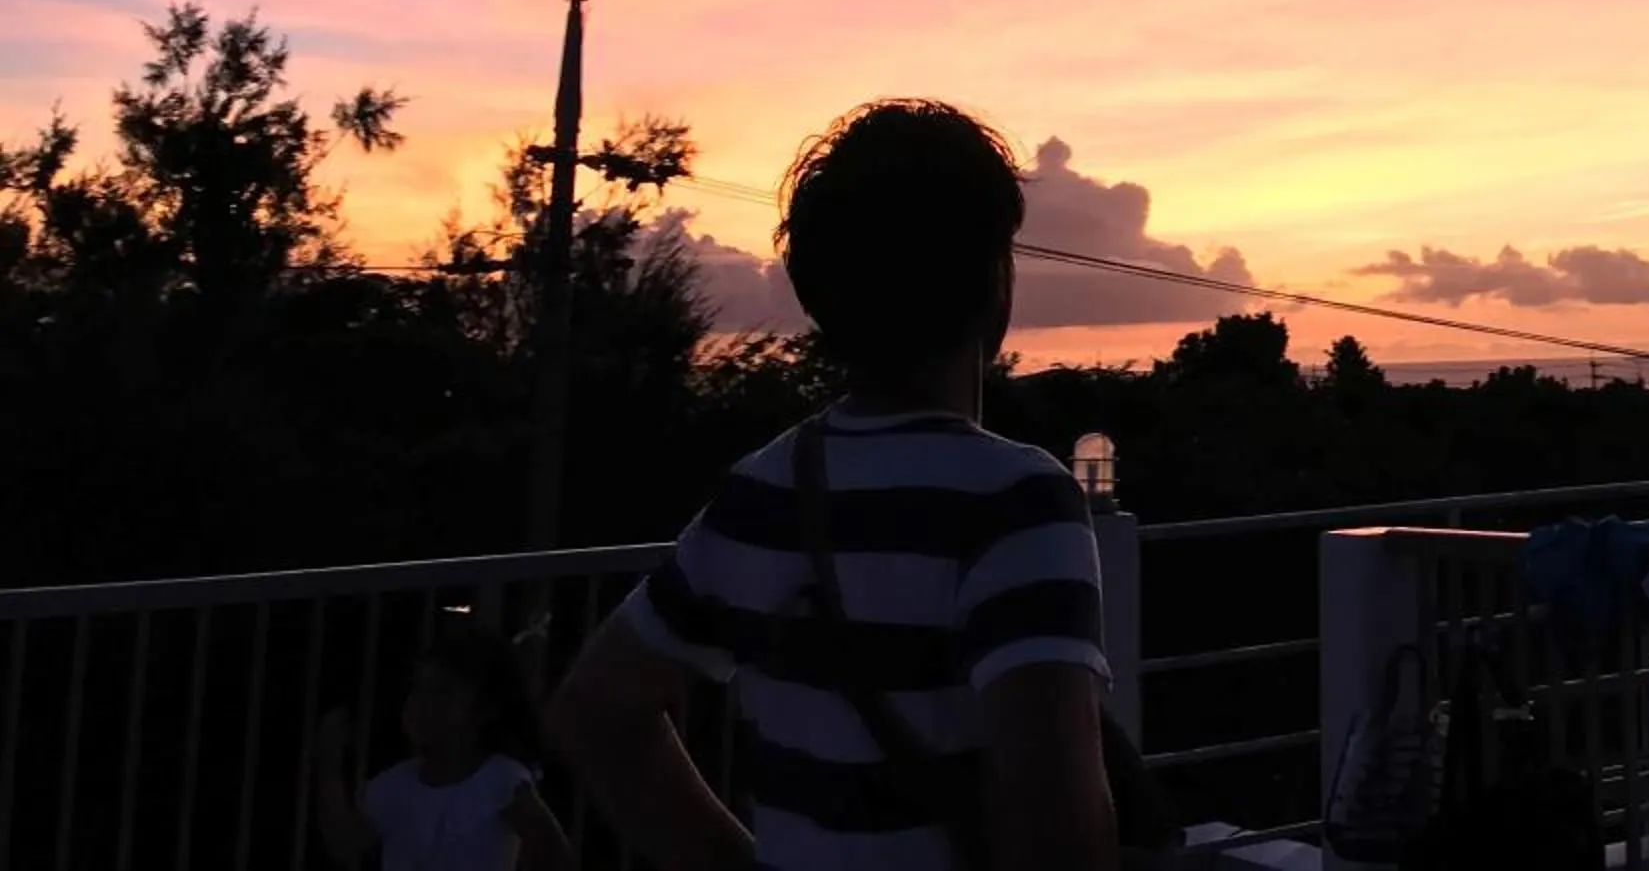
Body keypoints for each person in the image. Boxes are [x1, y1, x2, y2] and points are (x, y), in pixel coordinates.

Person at [549, 100, 1119, 871]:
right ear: (994, 283)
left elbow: (596, 709)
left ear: (821, 296)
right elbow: (1060, 837)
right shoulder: (1016, 502)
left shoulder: (761, 491)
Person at [314, 620, 577, 871]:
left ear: (486, 710)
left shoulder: (500, 782)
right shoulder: (392, 786)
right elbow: (345, 843)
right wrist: (329, 763)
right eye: (418, 689)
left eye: (442, 692)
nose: (422, 704)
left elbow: (554, 854)